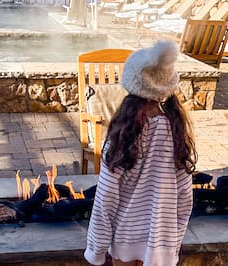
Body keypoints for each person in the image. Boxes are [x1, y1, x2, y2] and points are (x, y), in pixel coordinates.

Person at [84, 40, 197, 266]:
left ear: (130, 85)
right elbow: (185, 199)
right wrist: (173, 243)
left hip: (124, 240)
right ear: (167, 86)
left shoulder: (120, 137)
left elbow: (106, 198)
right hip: (161, 245)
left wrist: (96, 250)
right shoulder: (176, 134)